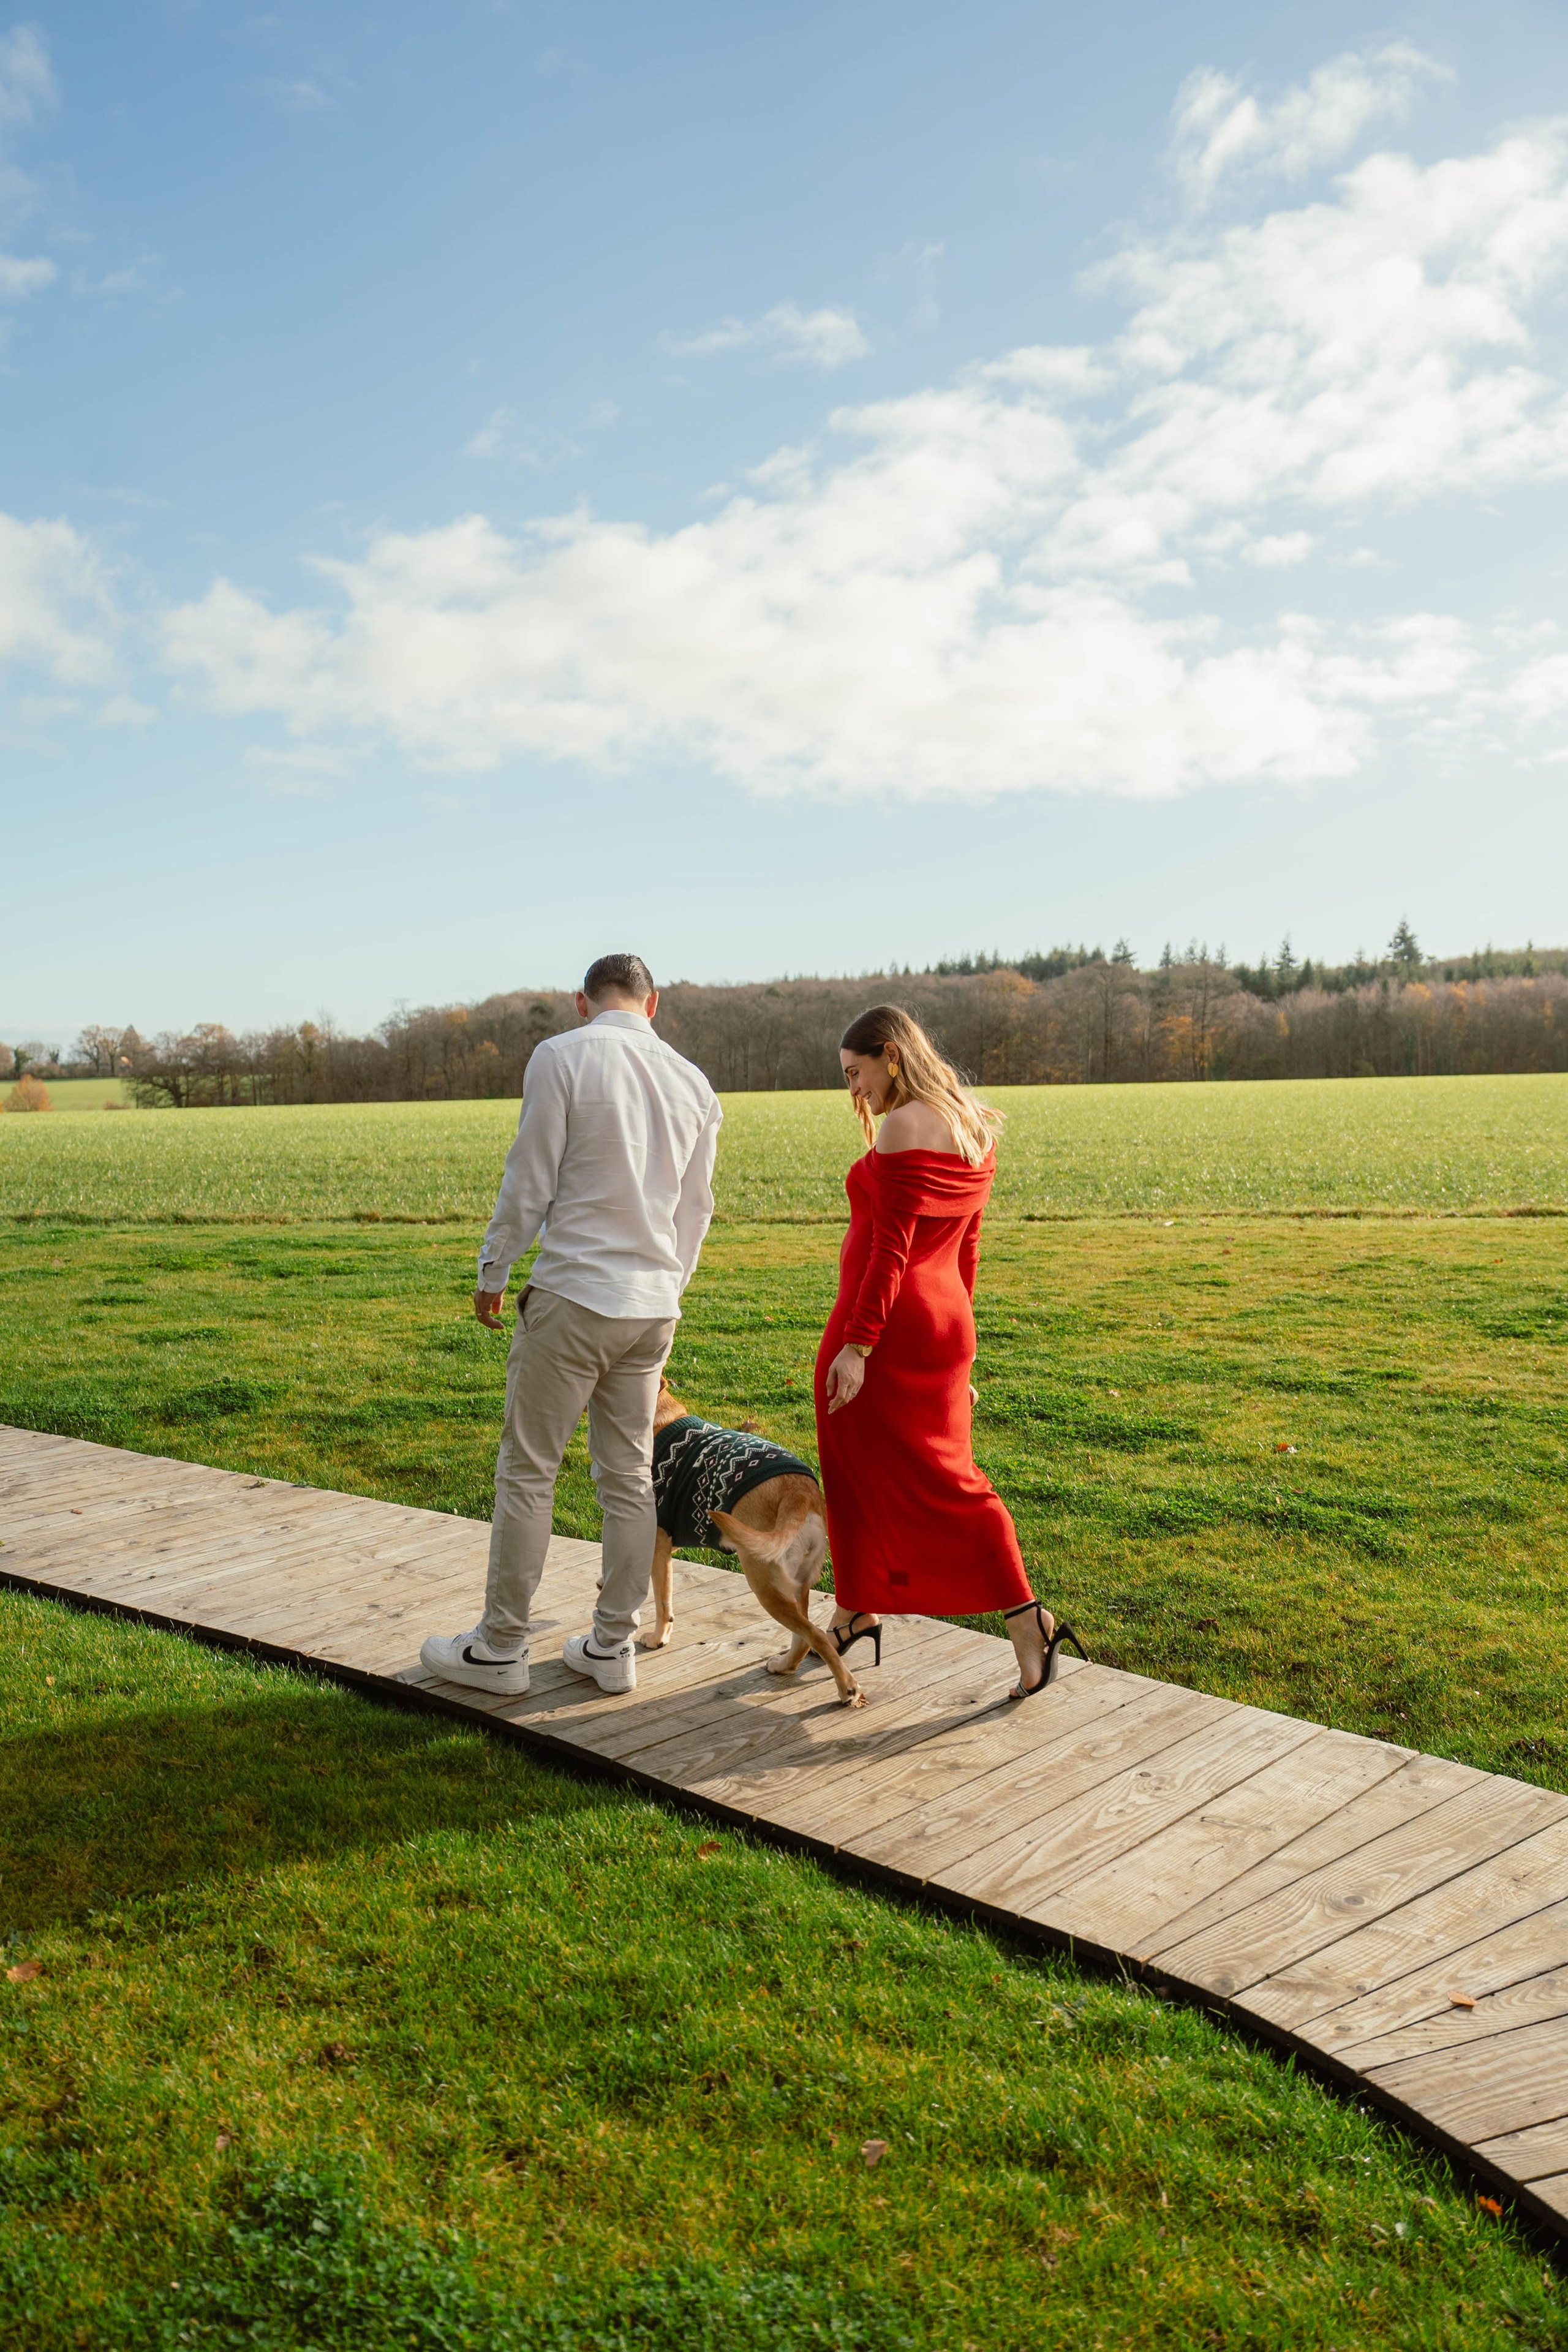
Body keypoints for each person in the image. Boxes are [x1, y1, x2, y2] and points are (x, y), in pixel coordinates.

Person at [420, 954, 722, 1699]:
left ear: (582, 1002)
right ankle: (611, 1646)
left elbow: (530, 1177)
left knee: (529, 1470)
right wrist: (667, 1287)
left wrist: (494, 1270)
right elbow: (696, 1207)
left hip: (575, 1293)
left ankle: (499, 1650)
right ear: (654, 1005)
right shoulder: (694, 1082)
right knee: (626, 1477)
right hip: (653, 1304)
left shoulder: (560, 1055)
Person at [808, 1005, 1082, 1702]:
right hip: (943, 1321)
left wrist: (858, 1346)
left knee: (938, 1480)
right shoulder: (971, 1123)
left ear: (891, 1054)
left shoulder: (903, 1125)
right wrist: (964, 1354)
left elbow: (889, 1251)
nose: (855, 1091)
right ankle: (855, 1610)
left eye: (858, 1072)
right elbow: (967, 1249)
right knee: (879, 1471)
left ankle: (1029, 1621)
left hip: (889, 1327)